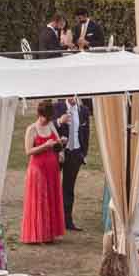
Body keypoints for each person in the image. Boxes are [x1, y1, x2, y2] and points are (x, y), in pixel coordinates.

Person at [19, 100, 66, 243]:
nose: (47, 120)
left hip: (52, 168)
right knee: (39, 201)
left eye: (49, 117)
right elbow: (28, 151)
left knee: (50, 199)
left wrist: (60, 144)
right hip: (37, 168)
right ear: (39, 114)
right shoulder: (31, 129)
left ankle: (50, 233)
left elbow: (57, 144)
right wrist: (45, 146)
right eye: (45, 117)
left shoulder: (51, 125)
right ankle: (38, 234)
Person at [51, 96, 89, 231]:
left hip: (75, 153)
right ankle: (52, 220)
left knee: (69, 188)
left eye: (77, 95)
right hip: (59, 153)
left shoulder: (83, 110)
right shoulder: (57, 107)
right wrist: (59, 122)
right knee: (53, 187)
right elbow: (48, 126)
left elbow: (86, 132)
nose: (74, 98)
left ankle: (67, 221)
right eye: (72, 95)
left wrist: (84, 153)